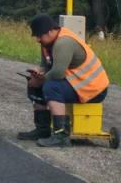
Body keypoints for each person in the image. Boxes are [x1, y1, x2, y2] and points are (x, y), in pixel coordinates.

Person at [17, 14, 110, 147]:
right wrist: (37, 74)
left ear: (49, 31)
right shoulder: (47, 43)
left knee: (51, 86)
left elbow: (58, 73)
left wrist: (41, 80)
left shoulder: (63, 43)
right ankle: (43, 130)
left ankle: (61, 135)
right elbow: (47, 66)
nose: (37, 39)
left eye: (39, 35)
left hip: (93, 89)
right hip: (77, 84)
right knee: (35, 84)